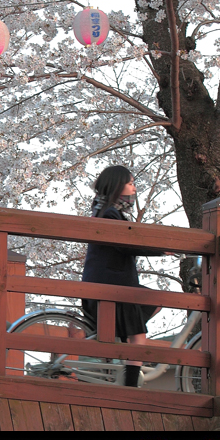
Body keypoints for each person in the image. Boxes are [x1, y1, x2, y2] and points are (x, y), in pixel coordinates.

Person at [81, 165, 160, 387]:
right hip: (113, 286)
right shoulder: (110, 214)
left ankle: (119, 337)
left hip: (107, 283)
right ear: (117, 185)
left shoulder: (103, 211)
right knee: (138, 333)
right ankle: (131, 384)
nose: (134, 188)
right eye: (131, 183)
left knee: (154, 302)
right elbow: (126, 245)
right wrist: (162, 249)